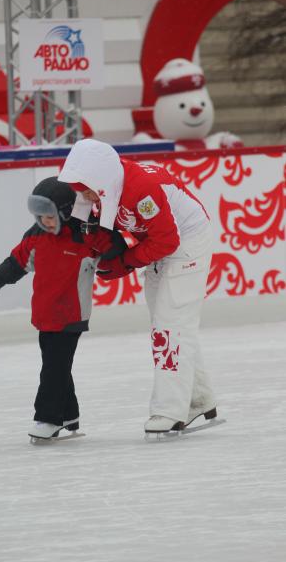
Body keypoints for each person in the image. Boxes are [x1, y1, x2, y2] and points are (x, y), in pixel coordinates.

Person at [58, 138, 216, 435]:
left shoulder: (140, 189)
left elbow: (168, 240)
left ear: (101, 177)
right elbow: (99, 235)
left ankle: (170, 411)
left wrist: (125, 263)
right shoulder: (99, 193)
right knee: (164, 323)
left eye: (86, 187)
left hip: (187, 242)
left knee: (170, 327)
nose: (85, 195)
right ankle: (199, 399)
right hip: (160, 245)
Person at [0, 176, 126, 440]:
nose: (45, 222)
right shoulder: (36, 237)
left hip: (71, 315)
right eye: (40, 217)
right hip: (46, 315)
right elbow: (15, 262)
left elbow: (115, 245)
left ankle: (48, 418)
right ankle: (69, 415)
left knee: (53, 368)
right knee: (57, 365)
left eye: (50, 217)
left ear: (64, 212)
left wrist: (109, 256)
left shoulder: (84, 235)